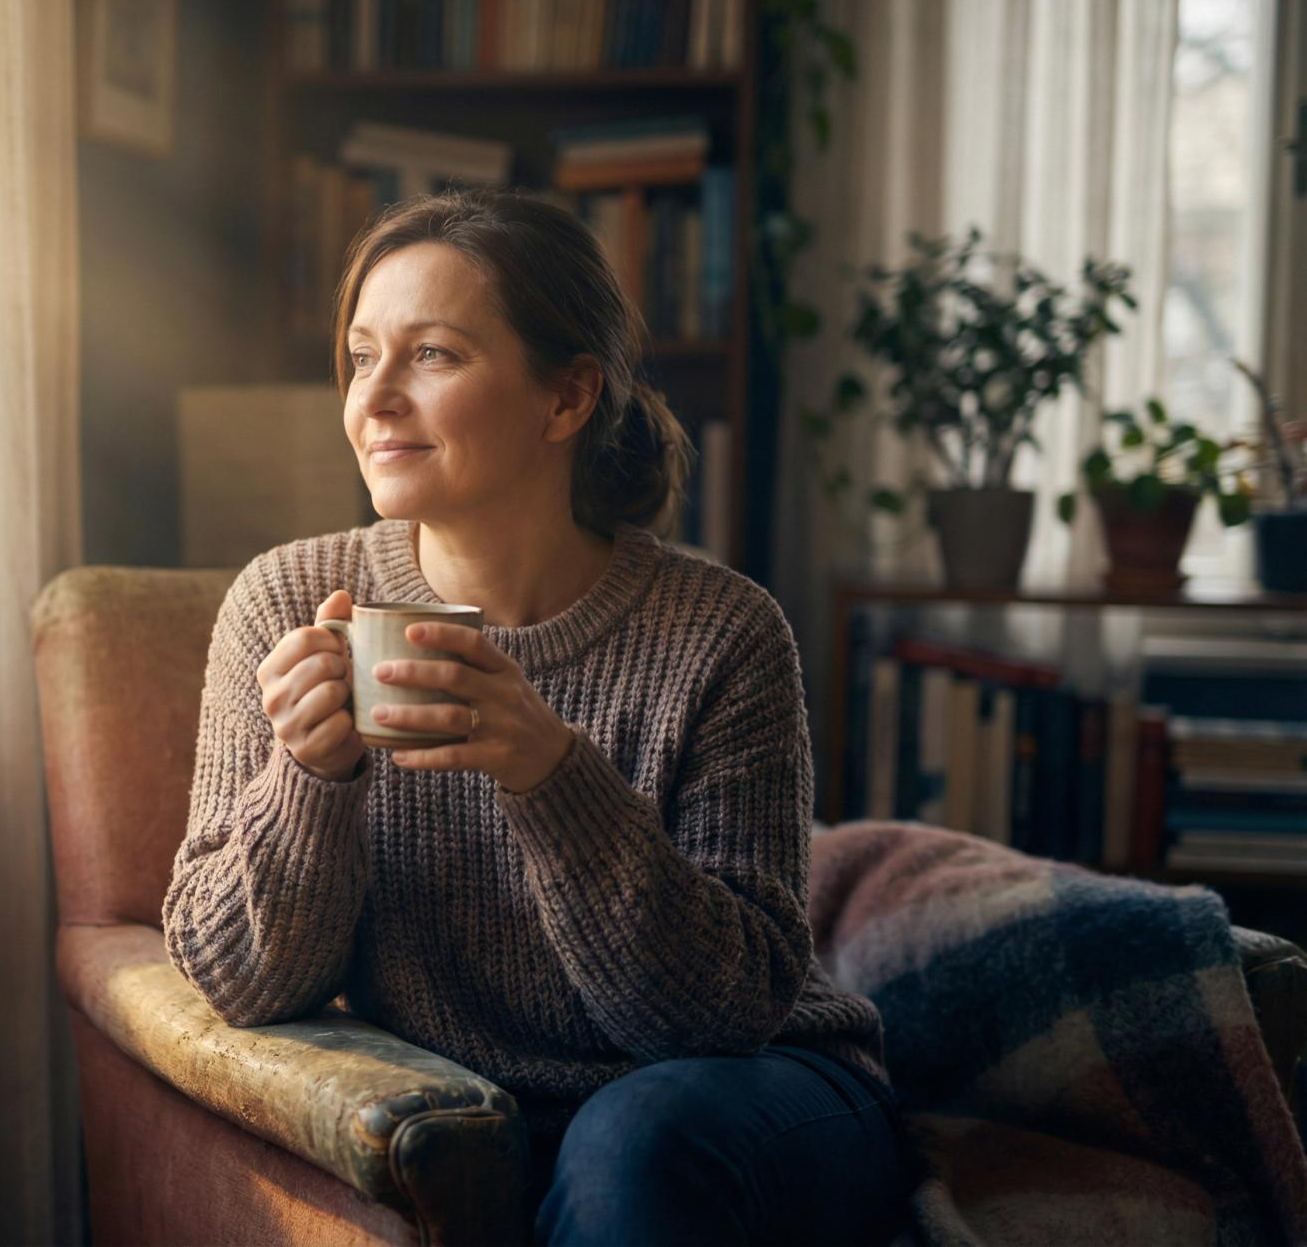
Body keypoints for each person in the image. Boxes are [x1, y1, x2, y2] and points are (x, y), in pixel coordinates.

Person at [161, 187, 916, 1245]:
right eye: (362, 356)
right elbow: (237, 982)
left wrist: (554, 775)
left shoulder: (723, 631)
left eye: (431, 354)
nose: (375, 398)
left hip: (744, 1095)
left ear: (566, 398)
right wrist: (308, 779)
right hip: (465, 1119)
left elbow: (722, 1014)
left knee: (632, 1139)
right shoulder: (285, 602)